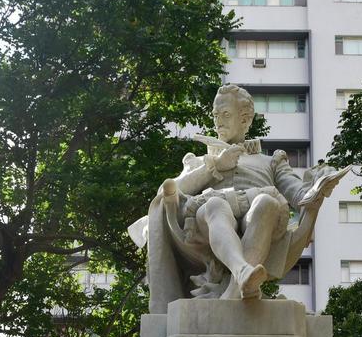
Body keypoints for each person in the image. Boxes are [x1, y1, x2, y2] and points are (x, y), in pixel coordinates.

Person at [132, 84, 348, 314]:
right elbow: (169, 192)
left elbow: (297, 193)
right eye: (215, 115)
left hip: (257, 217)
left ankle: (236, 289)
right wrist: (213, 166)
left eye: (225, 114)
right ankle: (243, 270)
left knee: (266, 203)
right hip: (210, 221)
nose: (218, 121)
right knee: (216, 205)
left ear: (245, 119)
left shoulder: (270, 162)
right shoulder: (201, 160)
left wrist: (318, 186)